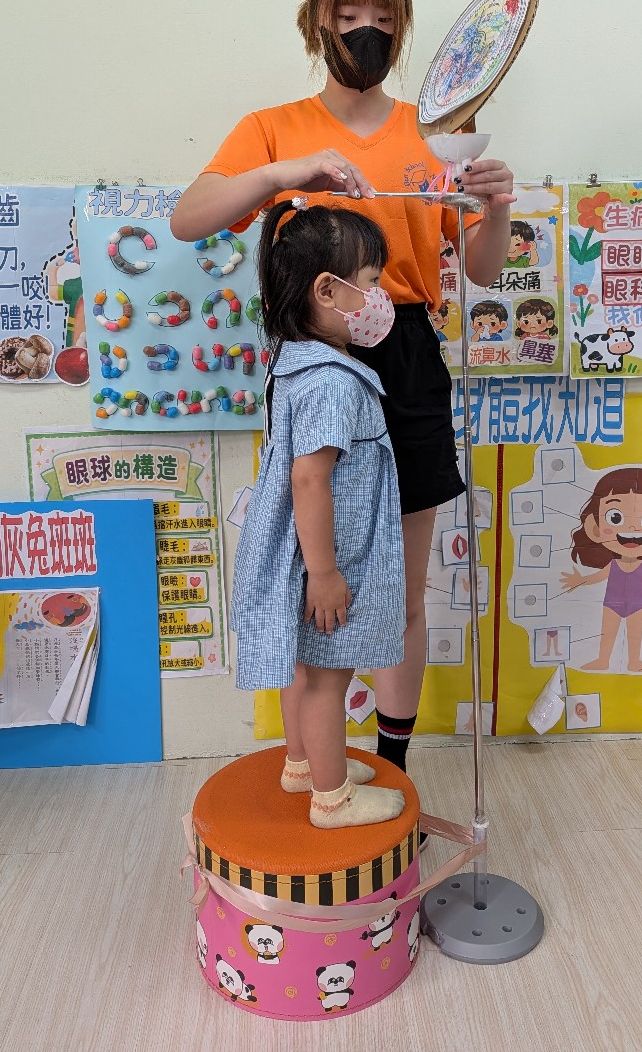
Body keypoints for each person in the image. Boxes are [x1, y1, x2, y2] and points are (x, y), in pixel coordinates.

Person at [171, 0, 516, 773]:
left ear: (405, 30)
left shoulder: (436, 135)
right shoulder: (274, 128)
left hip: (406, 352)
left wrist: (497, 204)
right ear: (316, 21)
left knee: (402, 585)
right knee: (313, 573)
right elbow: (190, 217)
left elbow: (481, 268)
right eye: (349, 12)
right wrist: (286, 173)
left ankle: (392, 765)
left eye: (385, 19)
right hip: (315, 358)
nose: (367, 31)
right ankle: (314, 767)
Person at [231, 201, 407, 828]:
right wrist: (326, 574)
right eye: (370, 281)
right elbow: (310, 477)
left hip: (304, 552)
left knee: (305, 671)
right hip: (330, 559)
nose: (379, 296)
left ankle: (303, 764)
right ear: (327, 291)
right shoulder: (331, 380)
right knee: (329, 680)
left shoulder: (296, 362)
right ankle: (333, 799)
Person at [559, 467, 642, 672]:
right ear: (594, 527)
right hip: (611, 605)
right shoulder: (613, 565)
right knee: (608, 632)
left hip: (637, 606)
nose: (632, 529)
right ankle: (603, 660)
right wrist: (580, 581)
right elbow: (598, 576)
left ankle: (634, 661)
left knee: (635, 635)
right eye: (615, 517)